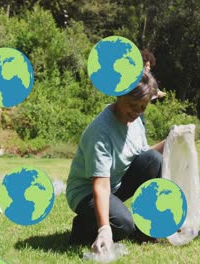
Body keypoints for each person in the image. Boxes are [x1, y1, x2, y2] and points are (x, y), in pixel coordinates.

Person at [66, 71, 166, 253]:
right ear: (119, 95)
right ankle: (83, 227)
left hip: (114, 184)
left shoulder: (135, 120)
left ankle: (146, 230)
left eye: (143, 107)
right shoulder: (101, 131)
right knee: (123, 225)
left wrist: (172, 141)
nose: (137, 112)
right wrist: (105, 229)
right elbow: (100, 185)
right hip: (87, 192)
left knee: (155, 160)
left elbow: (145, 156)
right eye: (132, 105)